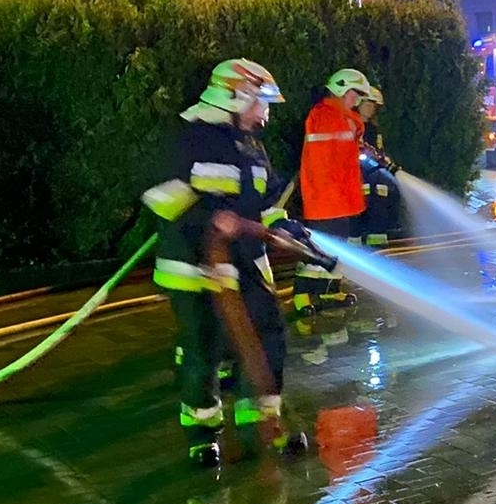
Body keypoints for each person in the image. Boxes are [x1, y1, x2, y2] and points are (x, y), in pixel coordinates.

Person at [140, 58, 315, 467]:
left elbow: (265, 201)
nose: (266, 112)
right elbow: (159, 193)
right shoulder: (188, 136)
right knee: (204, 349)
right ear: (236, 96)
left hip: (246, 264)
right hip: (194, 268)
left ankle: (261, 427)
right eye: (262, 101)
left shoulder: (251, 144)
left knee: (267, 339)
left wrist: (284, 226)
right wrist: (211, 219)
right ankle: (203, 436)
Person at [294, 68, 375, 315]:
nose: (357, 100)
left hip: (340, 197)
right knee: (317, 248)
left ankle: (328, 290)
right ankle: (302, 294)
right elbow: (327, 158)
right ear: (341, 89)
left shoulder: (340, 117)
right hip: (326, 196)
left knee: (336, 246)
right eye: (355, 94)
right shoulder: (324, 115)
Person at [356, 86, 402, 246]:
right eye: (368, 105)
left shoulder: (374, 130)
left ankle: (378, 237)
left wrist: (387, 163)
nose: (371, 109)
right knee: (366, 198)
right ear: (359, 103)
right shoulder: (352, 124)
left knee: (385, 193)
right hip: (358, 173)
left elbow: (379, 151)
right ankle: (361, 236)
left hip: (374, 173)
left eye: (373, 106)